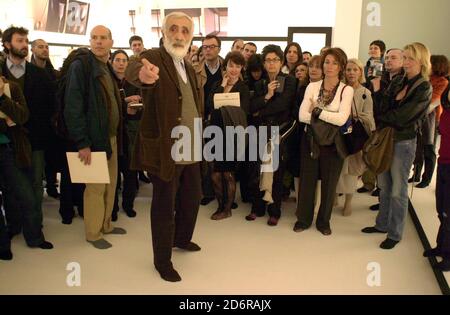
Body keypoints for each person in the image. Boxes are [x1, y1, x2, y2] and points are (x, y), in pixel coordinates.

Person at [126, 12, 202, 282]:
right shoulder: (154, 58)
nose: (179, 34)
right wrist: (142, 75)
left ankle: (181, 239)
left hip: (192, 147)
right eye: (174, 29)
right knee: (163, 206)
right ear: (164, 31)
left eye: (185, 30)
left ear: (191, 35)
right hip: (166, 150)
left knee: (192, 198)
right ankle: (162, 261)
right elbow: (134, 67)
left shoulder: (189, 66)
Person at [362, 42, 432, 250]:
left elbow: (404, 117)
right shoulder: (399, 80)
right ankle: (381, 224)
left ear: (421, 61)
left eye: (410, 58)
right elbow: (381, 105)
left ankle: (395, 233)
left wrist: (384, 115)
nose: (407, 62)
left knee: (397, 191)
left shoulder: (424, 87)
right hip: (387, 140)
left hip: (404, 143)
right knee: (384, 187)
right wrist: (382, 103)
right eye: (406, 57)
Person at [64, 25, 126, 249]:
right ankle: (93, 233)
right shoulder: (81, 66)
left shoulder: (106, 66)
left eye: (103, 38)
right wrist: (82, 142)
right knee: (95, 189)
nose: (98, 42)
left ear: (111, 42)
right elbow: (73, 106)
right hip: (92, 140)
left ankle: (106, 224)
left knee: (110, 185)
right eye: (94, 38)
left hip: (110, 138)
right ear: (90, 41)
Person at [1, 26, 54, 248]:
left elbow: (49, 107)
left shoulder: (39, 74)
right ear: (7, 44)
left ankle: (35, 232)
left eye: (26, 40)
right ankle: (14, 226)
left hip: (34, 139)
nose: (24, 44)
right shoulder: (1, 73)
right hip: (5, 140)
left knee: (34, 186)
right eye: (19, 40)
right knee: (10, 187)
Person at [294, 48, 353, 236]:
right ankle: (303, 220)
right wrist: (328, 115)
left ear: (341, 66)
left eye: (334, 63)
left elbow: (342, 119)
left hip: (333, 144)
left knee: (329, 184)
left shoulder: (346, 89)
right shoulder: (312, 86)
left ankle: (324, 221)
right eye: (327, 62)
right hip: (310, 140)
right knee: (307, 182)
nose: (329, 66)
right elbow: (302, 116)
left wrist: (317, 111)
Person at [245, 44, 296, 226]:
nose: (271, 63)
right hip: (260, 131)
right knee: (256, 170)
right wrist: (267, 96)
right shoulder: (260, 83)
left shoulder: (289, 81)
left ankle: (275, 210)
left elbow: (284, 105)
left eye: (275, 60)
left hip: (279, 130)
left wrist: (261, 110)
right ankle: (257, 208)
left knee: (276, 171)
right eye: (268, 60)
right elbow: (251, 108)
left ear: (281, 62)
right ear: (264, 63)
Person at [206, 51, 249, 220]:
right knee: (215, 172)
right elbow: (210, 105)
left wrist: (223, 104)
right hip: (215, 131)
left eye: (238, 66)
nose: (234, 69)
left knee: (228, 173)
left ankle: (228, 208)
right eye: (231, 65)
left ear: (241, 69)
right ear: (226, 67)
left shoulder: (243, 88)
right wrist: (223, 87)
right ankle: (220, 205)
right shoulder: (217, 84)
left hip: (232, 133)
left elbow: (243, 111)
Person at [336, 59, 375, 216]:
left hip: (356, 137)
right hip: (339, 135)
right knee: (337, 169)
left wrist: (354, 115)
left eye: (355, 70)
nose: (351, 73)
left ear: (360, 72)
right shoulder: (339, 90)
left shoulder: (366, 93)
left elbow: (370, 118)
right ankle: (333, 197)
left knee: (352, 172)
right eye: (348, 69)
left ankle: (348, 202)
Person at [110, 49, 142, 220]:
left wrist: (136, 104)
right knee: (113, 174)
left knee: (130, 172)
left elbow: (142, 105)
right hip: (113, 131)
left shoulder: (134, 83)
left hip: (130, 130)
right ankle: (113, 208)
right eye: (118, 60)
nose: (121, 63)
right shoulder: (108, 81)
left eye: (124, 60)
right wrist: (125, 102)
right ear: (112, 61)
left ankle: (128, 205)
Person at [193, 34, 224, 206]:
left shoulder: (228, 68)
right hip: (203, 118)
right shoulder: (195, 70)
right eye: (205, 47)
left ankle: (225, 195)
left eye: (212, 47)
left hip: (223, 119)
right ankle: (207, 191)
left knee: (222, 157)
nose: (208, 50)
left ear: (219, 49)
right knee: (205, 157)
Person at [30, 38, 61, 199]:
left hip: (51, 123)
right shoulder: (28, 73)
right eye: (40, 47)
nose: (44, 49)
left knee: (51, 156)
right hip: (33, 124)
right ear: (33, 49)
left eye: (47, 47)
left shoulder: (53, 74)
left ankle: (51, 185)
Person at [424, 82, 450, 271]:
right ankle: (440, 247)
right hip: (444, 163)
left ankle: (448, 256)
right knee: (441, 209)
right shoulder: (447, 111)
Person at [412, 55, 449, 188]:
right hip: (419, 116)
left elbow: (434, 101)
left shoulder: (443, 82)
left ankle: (426, 179)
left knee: (429, 148)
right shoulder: (425, 79)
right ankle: (415, 174)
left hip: (431, 118)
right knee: (418, 147)